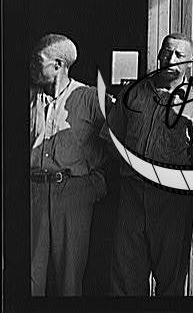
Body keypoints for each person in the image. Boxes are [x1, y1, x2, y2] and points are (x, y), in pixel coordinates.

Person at [104, 32, 193, 296]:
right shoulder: (133, 92)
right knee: (126, 280)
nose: (170, 59)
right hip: (131, 195)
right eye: (166, 52)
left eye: (179, 55)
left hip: (172, 201)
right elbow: (111, 140)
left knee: (170, 282)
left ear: (190, 63)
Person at [30, 33, 109, 296]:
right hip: (34, 194)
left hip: (73, 194)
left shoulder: (89, 97)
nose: (31, 66)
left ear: (58, 65)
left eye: (37, 60)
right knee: (31, 278)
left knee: (69, 281)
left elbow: (120, 136)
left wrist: (96, 181)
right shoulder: (27, 98)